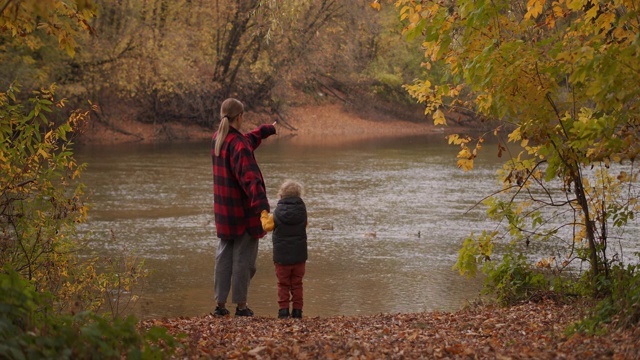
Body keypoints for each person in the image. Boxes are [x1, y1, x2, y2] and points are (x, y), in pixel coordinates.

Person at [211, 98, 276, 317]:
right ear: (240, 117)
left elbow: (246, 140)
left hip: (224, 214)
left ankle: (220, 305)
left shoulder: (219, 140)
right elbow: (251, 180)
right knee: (243, 261)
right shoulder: (238, 146)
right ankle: (241, 306)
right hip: (243, 214)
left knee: (224, 257)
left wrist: (264, 131)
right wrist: (263, 210)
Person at [261, 179, 308, 319]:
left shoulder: (276, 213)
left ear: (280, 195)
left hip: (281, 257)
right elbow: (305, 225)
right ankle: (298, 311)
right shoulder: (302, 211)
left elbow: (266, 227)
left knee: (283, 284)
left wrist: (263, 214)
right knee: (297, 284)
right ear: (299, 195)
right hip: (299, 256)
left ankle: (283, 311)